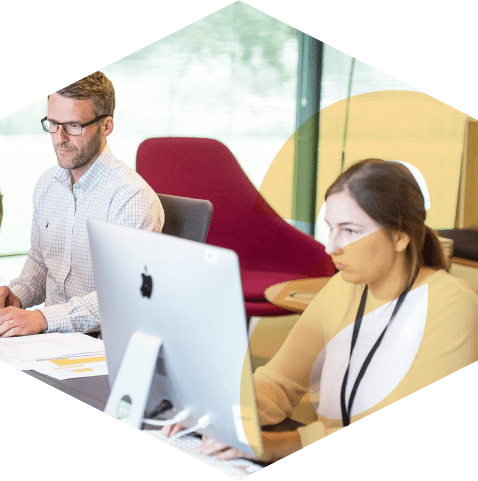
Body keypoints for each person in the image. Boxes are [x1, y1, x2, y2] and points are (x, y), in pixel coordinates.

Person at [163, 158, 478, 462]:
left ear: (399, 237)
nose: (331, 247)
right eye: (330, 228)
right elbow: (278, 382)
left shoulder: (453, 305)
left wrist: (288, 443)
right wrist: (214, 413)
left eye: (350, 231)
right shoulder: (344, 286)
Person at [0, 72, 164, 337]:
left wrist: (42, 318)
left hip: (99, 346)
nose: (59, 138)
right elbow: (41, 264)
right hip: (48, 341)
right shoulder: (47, 184)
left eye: (73, 126)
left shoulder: (131, 198)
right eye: (53, 123)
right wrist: (15, 298)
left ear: (106, 126)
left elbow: (121, 296)